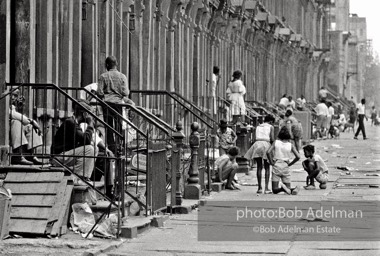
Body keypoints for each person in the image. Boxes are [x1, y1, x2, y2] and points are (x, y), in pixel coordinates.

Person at [51, 100, 97, 183]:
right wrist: (90, 123)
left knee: (94, 148)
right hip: (58, 157)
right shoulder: (70, 122)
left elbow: (84, 141)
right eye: (89, 114)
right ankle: (80, 177)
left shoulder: (74, 123)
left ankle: (83, 176)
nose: (91, 117)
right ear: (84, 114)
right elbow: (86, 140)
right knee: (89, 149)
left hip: (66, 155)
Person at [97, 56, 130, 153]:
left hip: (107, 104)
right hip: (118, 104)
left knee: (109, 126)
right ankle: (119, 145)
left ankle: (112, 146)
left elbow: (99, 92)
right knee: (118, 125)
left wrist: (104, 97)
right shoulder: (122, 76)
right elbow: (126, 92)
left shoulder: (103, 76)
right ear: (116, 64)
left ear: (107, 65)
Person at [9, 89, 43, 165]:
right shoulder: (3, 102)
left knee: (30, 126)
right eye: (12, 94)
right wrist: (31, 121)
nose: (13, 97)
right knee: (17, 123)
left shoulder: (12, 105)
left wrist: (19, 107)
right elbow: (11, 114)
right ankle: (17, 156)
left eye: (16, 95)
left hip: (10, 127)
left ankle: (29, 155)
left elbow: (17, 115)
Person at [244, 115, 275, 194]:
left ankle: (259, 188)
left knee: (259, 166)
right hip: (266, 144)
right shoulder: (271, 127)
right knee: (267, 167)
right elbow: (272, 139)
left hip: (257, 144)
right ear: (271, 121)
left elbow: (254, 138)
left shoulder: (258, 127)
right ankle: (267, 188)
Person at [266, 126, 301, 195]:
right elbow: (298, 156)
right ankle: (294, 189)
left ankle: (282, 189)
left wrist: (271, 162)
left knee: (275, 190)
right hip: (286, 166)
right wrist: (290, 164)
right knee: (288, 188)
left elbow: (268, 152)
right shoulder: (290, 145)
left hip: (276, 165)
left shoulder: (276, 142)